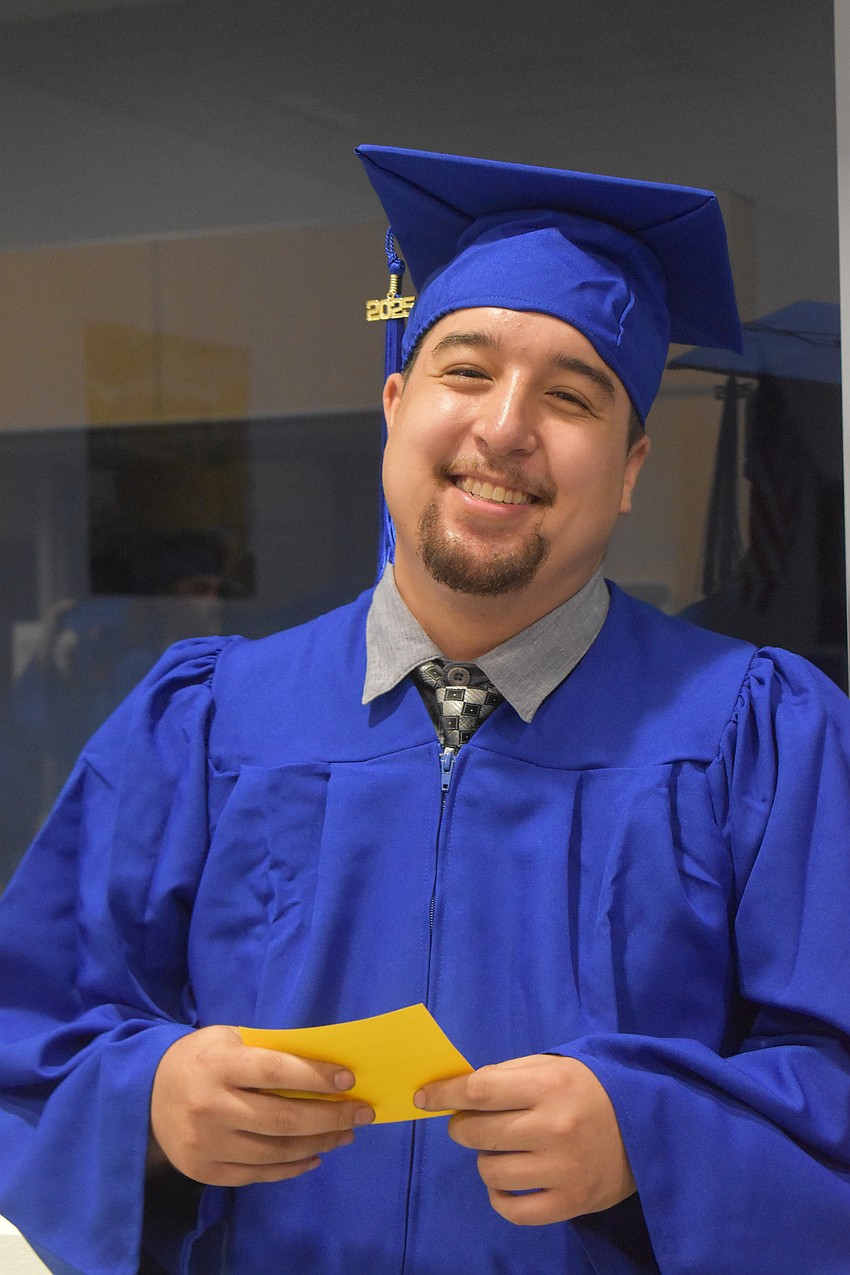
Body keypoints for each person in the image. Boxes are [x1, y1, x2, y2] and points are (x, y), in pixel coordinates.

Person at [0, 145, 849, 1275]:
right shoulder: (202, 723)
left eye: (570, 395)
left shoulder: (761, 737)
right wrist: (148, 1104)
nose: (504, 429)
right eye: (465, 371)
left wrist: (654, 1139)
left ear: (633, 461)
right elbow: (28, 1038)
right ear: (396, 405)